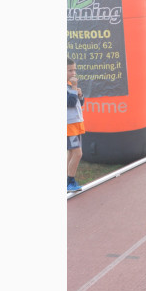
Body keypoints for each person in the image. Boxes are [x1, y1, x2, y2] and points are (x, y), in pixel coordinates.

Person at [67, 57, 86, 192]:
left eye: (74, 70)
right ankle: (70, 181)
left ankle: (67, 179)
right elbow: (70, 103)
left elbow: (78, 103)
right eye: (69, 70)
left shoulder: (69, 85)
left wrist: (80, 95)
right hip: (69, 126)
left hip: (76, 123)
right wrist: (74, 88)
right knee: (78, 153)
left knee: (72, 152)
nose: (73, 73)